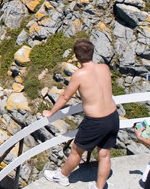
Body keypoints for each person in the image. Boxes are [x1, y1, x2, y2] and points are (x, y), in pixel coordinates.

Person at [41, 39, 118, 189]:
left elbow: (65, 96)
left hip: (96, 121)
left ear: (76, 56)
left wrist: (51, 112)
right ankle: (99, 186)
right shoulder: (104, 67)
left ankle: (62, 176)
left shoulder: (79, 74)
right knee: (104, 154)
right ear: (92, 52)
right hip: (113, 116)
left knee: (76, 150)